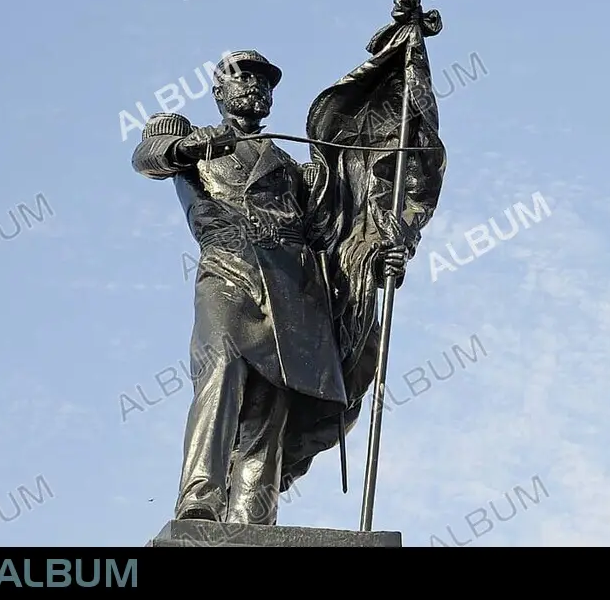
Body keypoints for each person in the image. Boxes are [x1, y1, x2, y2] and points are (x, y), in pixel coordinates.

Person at [131, 50, 407, 524]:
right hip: (229, 270)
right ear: (218, 92)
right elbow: (149, 156)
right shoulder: (191, 137)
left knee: (271, 401)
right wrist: (188, 147)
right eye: (242, 78)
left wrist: (378, 253)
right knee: (221, 367)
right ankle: (200, 496)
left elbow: (333, 236)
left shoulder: (291, 168)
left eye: (264, 82)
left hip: (290, 288)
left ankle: (252, 514)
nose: (255, 87)